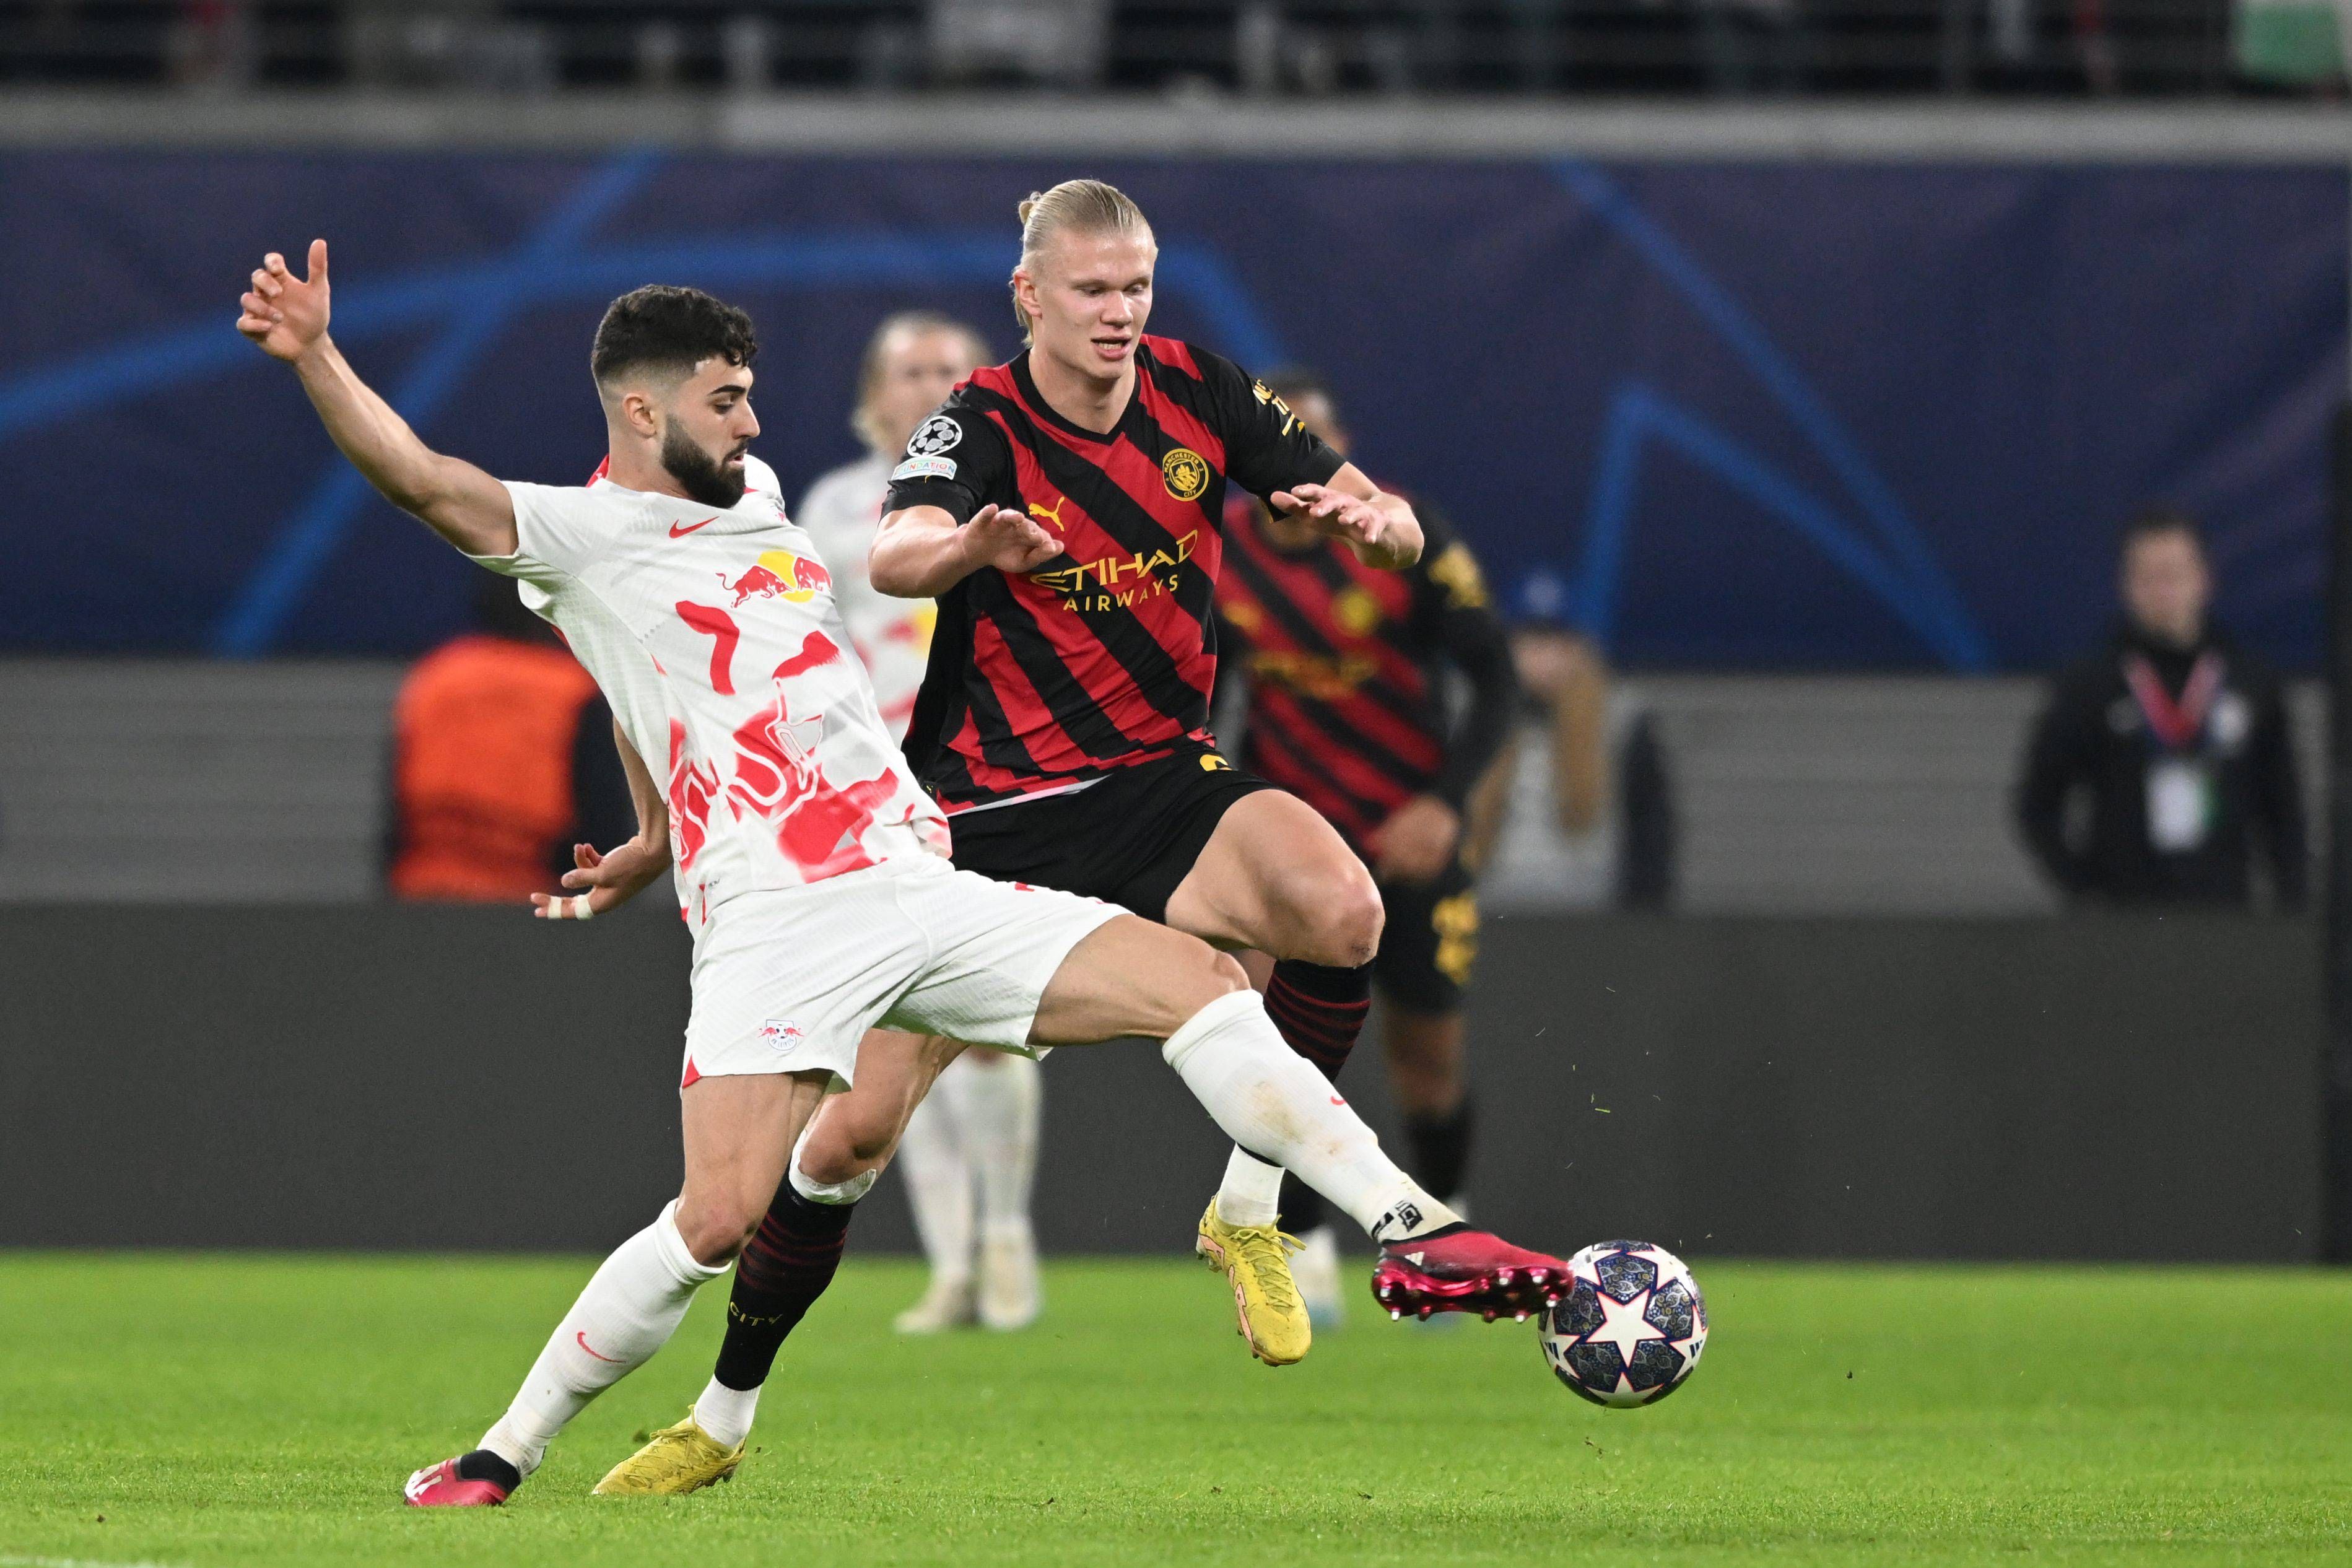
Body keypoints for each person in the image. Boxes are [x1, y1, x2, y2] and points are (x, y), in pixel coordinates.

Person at [237, 245, 1562, 1509]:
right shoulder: (575, 533)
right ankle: (504, 1452)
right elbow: (417, 476)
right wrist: (314, 354)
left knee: (1205, 981)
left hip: (919, 869)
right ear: (642, 409)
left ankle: (1409, 1225)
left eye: (749, 395)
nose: (753, 424)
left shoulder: (751, 505)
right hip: (776, 921)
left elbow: (670, 683)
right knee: (716, 1218)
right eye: (728, 400)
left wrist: (650, 824)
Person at [684, 178, 1570, 1424]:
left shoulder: (1200, 392)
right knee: (847, 1145)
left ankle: (1250, 1212)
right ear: (1029, 293)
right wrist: (971, 548)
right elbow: (895, 552)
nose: (1116, 312)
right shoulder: (977, 419)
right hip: (981, 819)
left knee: (1339, 912)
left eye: (1135, 288)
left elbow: (1393, 516)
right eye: (1092, 290)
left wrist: (1376, 527)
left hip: (1159, 783)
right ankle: (723, 1410)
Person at [1210, 368, 1517, 1326]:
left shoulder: (1404, 533)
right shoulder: (1212, 550)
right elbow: (1199, 686)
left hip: (1405, 838)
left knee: (1425, 1058)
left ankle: (1447, 1235)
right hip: (1292, 841)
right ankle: (1298, 1247)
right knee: (1283, 1050)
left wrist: (1444, 803)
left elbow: (1496, 677)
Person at [798, 310, 1048, 1336]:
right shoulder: (833, 507)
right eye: (911, 369)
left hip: (994, 780)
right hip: (875, 797)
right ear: (873, 393)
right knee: (890, 1030)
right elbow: (804, 651)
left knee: (985, 1029)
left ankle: (1005, 1240)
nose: (932, 383)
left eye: (951, 366)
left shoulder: (1019, 481)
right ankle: (951, 1266)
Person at [2014, 508, 2307, 910]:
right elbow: (2036, 805)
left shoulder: (2250, 682)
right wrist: (2084, 889)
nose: (2161, 590)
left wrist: (2291, 911)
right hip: (2123, 919)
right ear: (2125, 586)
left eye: (2173, 574)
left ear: (2203, 579)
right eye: (2146, 577)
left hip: (2226, 917)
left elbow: (2284, 811)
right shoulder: (2090, 684)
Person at [382, 575, 636, 902]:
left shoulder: (435, 677)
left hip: (423, 899)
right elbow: (604, 830)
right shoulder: (574, 692)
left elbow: (397, 815)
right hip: (530, 908)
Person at [1470, 570, 1675, 914]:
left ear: (1581, 647)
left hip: (1590, 928)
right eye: (1532, 641)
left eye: (1559, 642)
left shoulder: (1621, 722)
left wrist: (1642, 930)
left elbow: (1651, 841)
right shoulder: (1473, 717)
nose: (1545, 658)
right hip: (1491, 920)